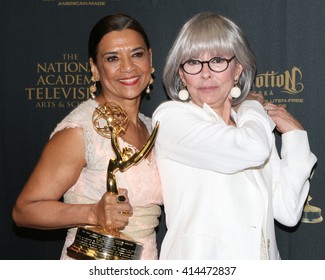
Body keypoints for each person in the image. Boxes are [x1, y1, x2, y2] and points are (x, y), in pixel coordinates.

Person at [152, 12, 317, 260]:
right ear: (181, 74)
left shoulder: (251, 128)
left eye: (218, 60)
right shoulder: (171, 119)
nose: (206, 73)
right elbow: (252, 148)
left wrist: (295, 136)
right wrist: (252, 105)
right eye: (193, 62)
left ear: (238, 69)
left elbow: (288, 210)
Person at [12, 13, 163, 260]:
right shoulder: (80, 129)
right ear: (95, 68)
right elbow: (24, 211)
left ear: (150, 58)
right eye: (112, 58)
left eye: (137, 54)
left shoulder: (151, 128)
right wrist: (93, 213)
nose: (128, 67)